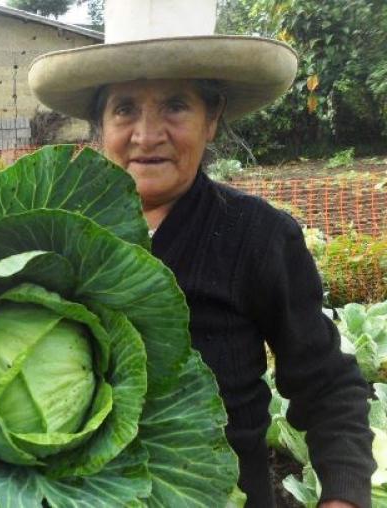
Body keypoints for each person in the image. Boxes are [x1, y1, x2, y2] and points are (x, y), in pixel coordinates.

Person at [28, 0, 375, 506]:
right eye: (124, 108)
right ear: (100, 126)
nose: (147, 135)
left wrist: (343, 495)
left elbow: (326, 385)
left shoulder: (258, 236)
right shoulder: (54, 233)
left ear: (211, 119)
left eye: (175, 105)